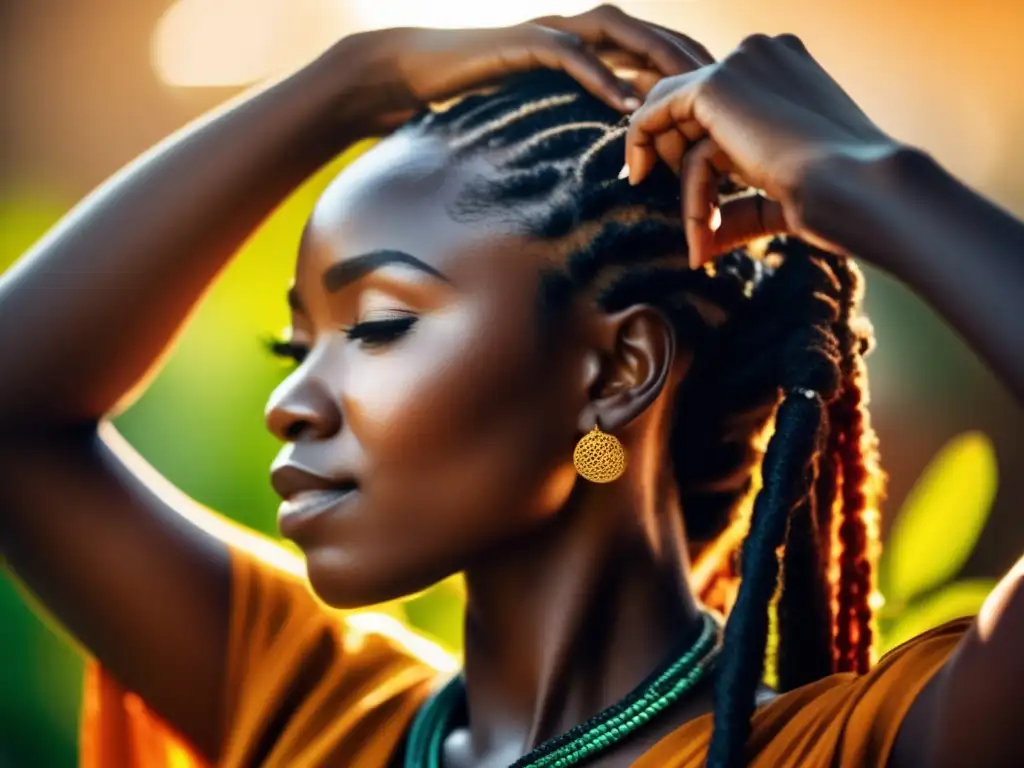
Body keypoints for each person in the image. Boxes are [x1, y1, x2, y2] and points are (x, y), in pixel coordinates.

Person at [0, 5, 1021, 767]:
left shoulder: (858, 749)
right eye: (293, 348)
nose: (292, 402)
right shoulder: (317, 711)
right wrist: (352, 79)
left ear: (617, 374)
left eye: (379, 326)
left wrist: (866, 180)